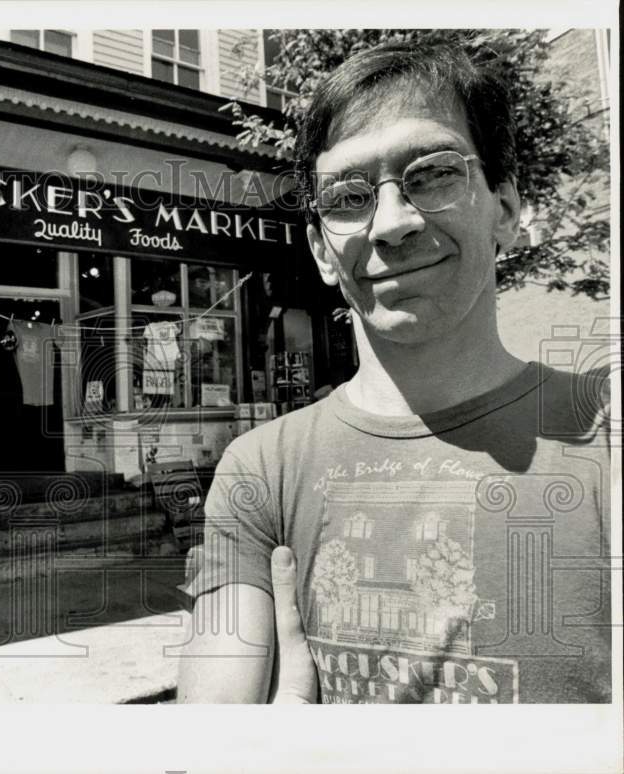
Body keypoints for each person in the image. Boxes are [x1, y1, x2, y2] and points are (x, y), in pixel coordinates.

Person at [178, 39, 612, 704]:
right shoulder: (260, 472)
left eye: (433, 173)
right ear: (323, 250)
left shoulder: (606, 436)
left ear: (505, 209)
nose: (391, 223)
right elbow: (210, 723)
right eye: (349, 195)